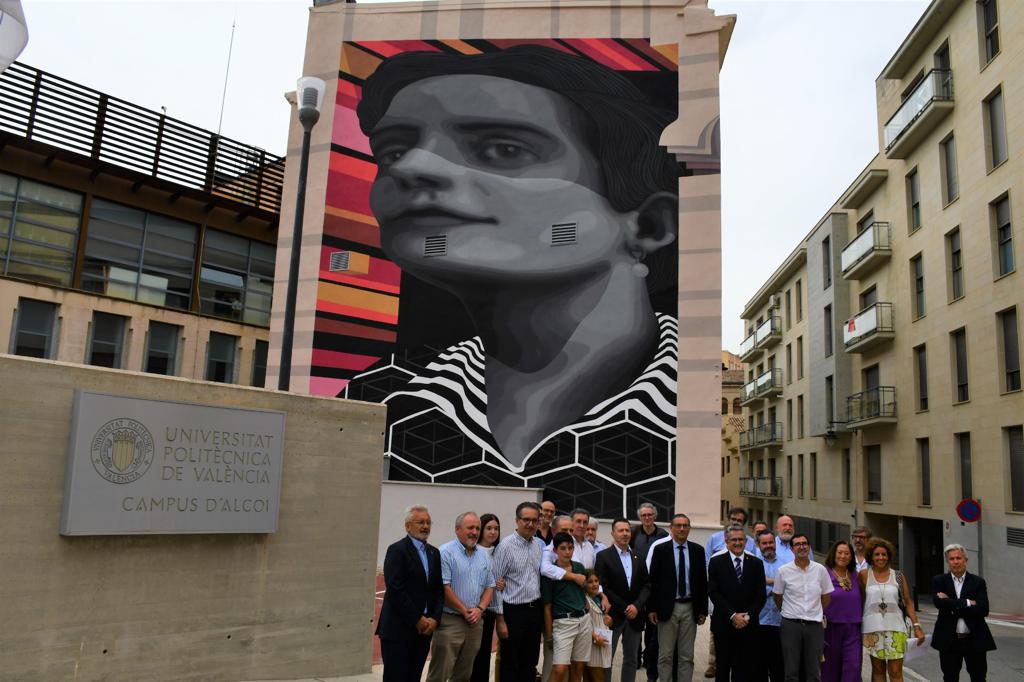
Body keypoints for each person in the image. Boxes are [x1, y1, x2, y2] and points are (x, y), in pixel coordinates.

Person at [352, 44, 680, 488]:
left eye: (503, 149)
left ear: (649, 225)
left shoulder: (699, 401)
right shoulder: (372, 397)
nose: (412, 165)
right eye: (392, 151)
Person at [378, 505, 445, 682]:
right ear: (408, 526)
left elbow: (438, 589)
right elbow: (395, 589)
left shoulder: (434, 553)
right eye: (420, 522)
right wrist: (417, 618)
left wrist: (435, 619)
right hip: (398, 630)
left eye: (428, 522)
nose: (425, 526)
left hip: (424, 631)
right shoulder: (397, 550)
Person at [429, 512, 496, 682]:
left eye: (477, 528)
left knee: (464, 675)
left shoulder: (484, 555)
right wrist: (464, 610)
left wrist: (480, 609)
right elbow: (444, 587)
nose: (475, 532)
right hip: (450, 621)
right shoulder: (445, 552)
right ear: (457, 529)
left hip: (475, 623)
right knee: (439, 674)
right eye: (470, 528)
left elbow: (490, 586)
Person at [647, 513, 708, 682]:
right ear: (671, 528)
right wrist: (651, 608)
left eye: (685, 525)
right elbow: (653, 582)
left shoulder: (698, 551)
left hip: (690, 608)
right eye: (678, 525)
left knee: (686, 656)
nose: (682, 529)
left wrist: (703, 610)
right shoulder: (661, 550)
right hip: (667, 608)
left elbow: (703, 582)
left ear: (689, 528)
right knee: (665, 655)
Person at [492, 502, 546, 682]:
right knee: (510, 662)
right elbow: (496, 584)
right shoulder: (505, 546)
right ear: (517, 520)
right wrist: (500, 620)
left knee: (530, 662)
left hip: (534, 610)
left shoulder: (539, 545)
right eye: (526, 520)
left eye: (534, 520)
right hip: (513, 613)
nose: (530, 524)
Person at [857, 537, 925, 682]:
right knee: (878, 671)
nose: (880, 557)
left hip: (896, 629)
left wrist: (917, 626)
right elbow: (860, 601)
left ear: (889, 556)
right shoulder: (863, 575)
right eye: (877, 554)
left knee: (895, 671)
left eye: (884, 554)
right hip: (872, 630)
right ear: (871, 556)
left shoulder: (898, 576)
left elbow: (908, 602)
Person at [707, 525, 767, 681]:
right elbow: (714, 592)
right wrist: (733, 615)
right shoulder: (716, 562)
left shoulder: (756, 563)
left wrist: (747, 617)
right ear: (726, 542)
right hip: (724, 625)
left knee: (743, 670)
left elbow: (761, 595)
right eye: (734, 540)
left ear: (746, 541)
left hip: (748, 626)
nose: (738, 543)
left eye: (741, 539)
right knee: (722, 668)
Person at [594, 518, 650, 682]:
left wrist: (636, 606)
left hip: (635, 616)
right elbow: (603, 586)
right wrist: (625, 607)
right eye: (621, 530)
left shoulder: (639, 556)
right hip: (612, 615)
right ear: (613, 533)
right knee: (606, 659)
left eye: (627, 530)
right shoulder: (603, 556)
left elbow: (647, 585)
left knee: (632, 659)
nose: (625, 534)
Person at [931, 543, 995, 682]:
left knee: (979, 678)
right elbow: (939, 604)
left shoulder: (978, 582)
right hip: (949, 640)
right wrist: (967, 603)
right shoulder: (939, 581)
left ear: (965, 560)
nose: (955, 562)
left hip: (974, 639)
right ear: (947, 562)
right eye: (952, 559)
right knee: (950, 678)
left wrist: (950, 603)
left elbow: (983, 609)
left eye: (958, 558)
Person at [773, 534, 833, 682]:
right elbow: (778, 596)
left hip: (814, 625)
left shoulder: (820, 570)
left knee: (814, 670)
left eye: (805, 543)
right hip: (791, 625)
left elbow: (826, 596)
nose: (802, 547)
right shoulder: (783, 571)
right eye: (797, 544)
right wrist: (789, 611)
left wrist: (815, 610)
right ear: (792, 549)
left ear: (809, 547)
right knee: (791, 670)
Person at [543, 532, 593, 682]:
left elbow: (584, 591)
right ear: (555, 550)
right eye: (563, 548)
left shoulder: (579, 567)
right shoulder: (550, 573)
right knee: (559, 669)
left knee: (578, 668)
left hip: (583, 621)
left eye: (570, 548)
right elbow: (547, 606)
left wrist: (586, 604)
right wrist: (549, 635)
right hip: (563, 622)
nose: (567, 552)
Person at [630, 502, 668, 682]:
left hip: (655, 585)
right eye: (643, 515)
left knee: (652, 625)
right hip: (636, 584)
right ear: (640, 517)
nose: (647, 517)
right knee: (637, 622)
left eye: (650, 514)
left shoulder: (663, 535)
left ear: (655, 516)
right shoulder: (633, 533)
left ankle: (648, 657)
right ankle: (635, 657)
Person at [821, 541, 861, 682]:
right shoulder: (824, 574)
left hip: (853, 628)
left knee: (853, 667)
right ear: (834, 554)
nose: (843, 556)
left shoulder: (857, 576)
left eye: (847, 553)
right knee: (830, 669)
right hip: (830, 627)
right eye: (840, 553)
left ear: (851, 557)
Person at [471, 514, 502, 682]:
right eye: (489, 528)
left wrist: (502, 583)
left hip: (490, 610)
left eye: (496, 528)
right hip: (473, 610)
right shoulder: (473, 550)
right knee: (471, 656)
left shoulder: (498, 552)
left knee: (484, 655)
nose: (493, 532)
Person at [755, 530, 784, 682]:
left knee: (778, 666)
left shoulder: (785, 564)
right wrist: (777, 586)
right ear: (758, 544)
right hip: (759, 621)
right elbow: (754, 589)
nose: (768, 546)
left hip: (780, 622)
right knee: (759, 666)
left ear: (775, 543)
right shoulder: (753, 564)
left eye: (770, 542)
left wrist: (767, 582)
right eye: (764, 543)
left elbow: (789, 588)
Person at [585, 570, 614, 681]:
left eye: (596, 581)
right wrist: (595, 637)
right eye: (590, 582)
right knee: (597, 678)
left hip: (602, 644)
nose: (594, 584)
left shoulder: (600, 598)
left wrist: (609, 621)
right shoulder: (585, 600)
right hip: (593, 646)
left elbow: (606, 621)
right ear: (584, 584)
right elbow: (584, 624)